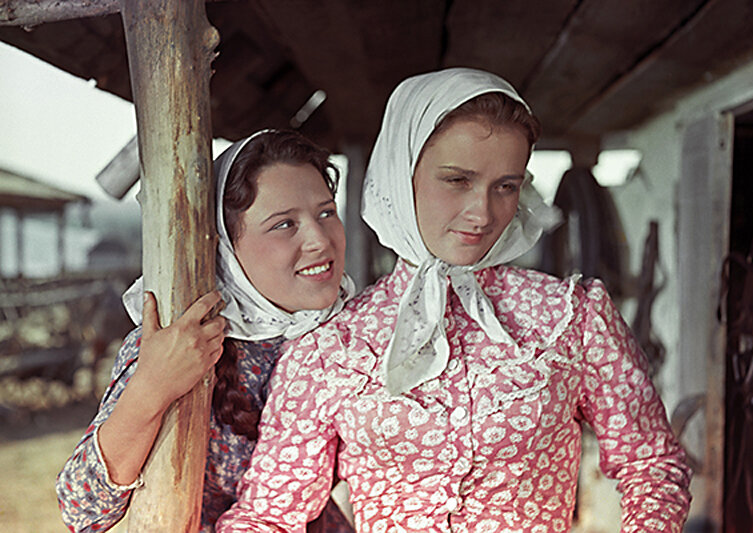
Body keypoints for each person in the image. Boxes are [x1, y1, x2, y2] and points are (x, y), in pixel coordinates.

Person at [216, 68, 692, 532]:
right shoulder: (329, 348)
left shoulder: (572, 316)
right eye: (457, 181)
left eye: (506, 186)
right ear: (404, 177)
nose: (482, 212)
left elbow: (651, 464)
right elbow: (269, 516)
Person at [56, 129, 356, 532]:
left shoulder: (354, 331)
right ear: (227, 246)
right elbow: (83, 511)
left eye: (326, 212)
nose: (320, 240)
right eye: (284, 224)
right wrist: (152, 386)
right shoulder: (185, 341)